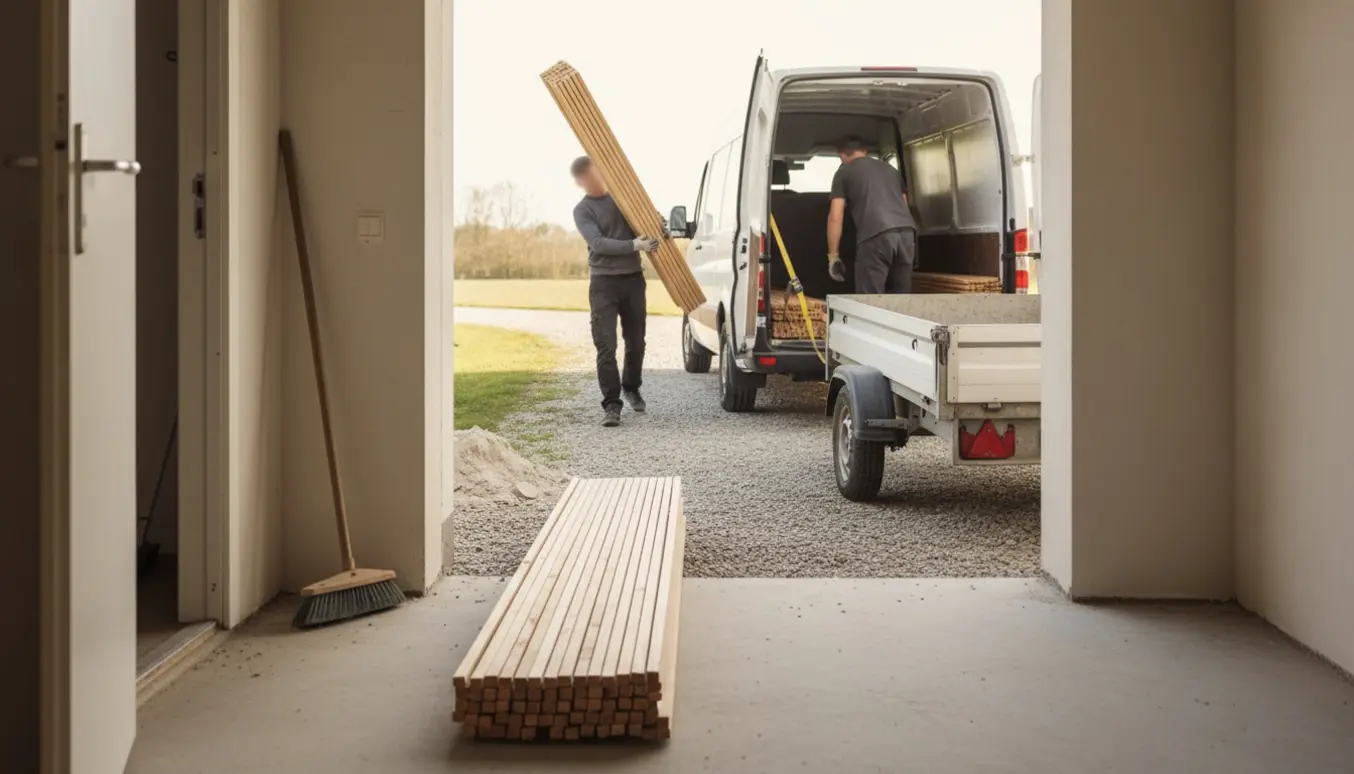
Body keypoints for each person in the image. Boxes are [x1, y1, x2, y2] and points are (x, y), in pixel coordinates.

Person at [570, 155, 662, 427]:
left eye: (595, 174)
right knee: (605, 344)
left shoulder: (623, 200)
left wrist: (658, 227)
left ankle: (631, 387)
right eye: (587, 178)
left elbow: (647, 224)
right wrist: (634, 245)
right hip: (603, 284)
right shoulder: (582, 210)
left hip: (633, 280)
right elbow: (598, 243)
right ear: (579, 182)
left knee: (636, 341)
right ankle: (612, 404)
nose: (594, 180)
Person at [826, 135, 918, 294]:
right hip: (906, 234)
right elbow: (904, 204)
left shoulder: (844, 172)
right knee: (901, 298)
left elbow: (835, 216)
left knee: (869, 299)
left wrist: (833, 257)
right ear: (865, 151)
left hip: (876, 236)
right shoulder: (891, 170)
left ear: (842, 155)